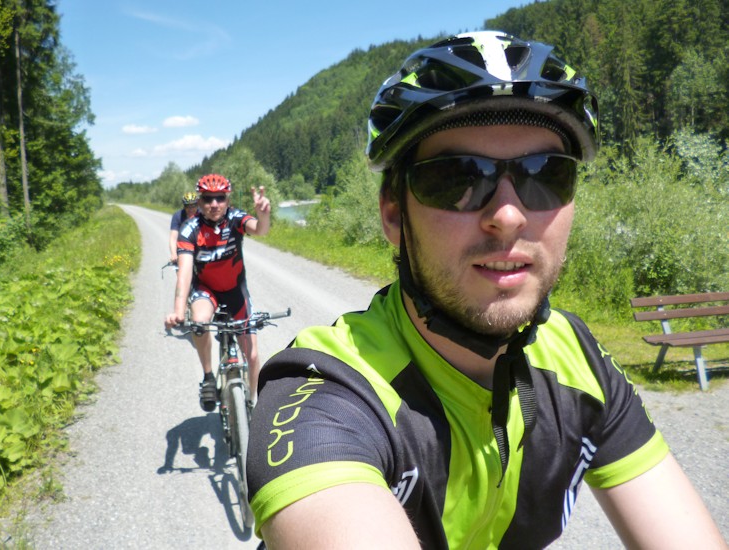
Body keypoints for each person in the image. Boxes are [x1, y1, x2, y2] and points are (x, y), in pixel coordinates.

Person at [246, 31, 727, 549]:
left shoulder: (576, 357)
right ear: (393, 214)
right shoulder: (326, 396)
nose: (508, 215)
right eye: (458, 178)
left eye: (546, 176)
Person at [165, 174, 271, 412]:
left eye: (220, 198)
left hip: (235, 290)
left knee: (252, 357)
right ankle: (208, 376)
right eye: (208, 199)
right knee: (200, 323)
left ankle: (252, 404)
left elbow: (260, 230)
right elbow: (184, 274)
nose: (214, 204)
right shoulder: (190, 229)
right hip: (207, 290)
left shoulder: (235, 218)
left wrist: (263, 214)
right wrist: (178, 313)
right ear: (200, 202)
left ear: (227, 199)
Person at [168, 191, 199, 264]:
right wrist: (173, 254)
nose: (190, 209)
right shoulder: (178, 216)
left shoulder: (202, 214)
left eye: (193, 206)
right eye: (187, 206)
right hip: (183, 248)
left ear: (197, 205)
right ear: (184, 206)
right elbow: (173, 237)